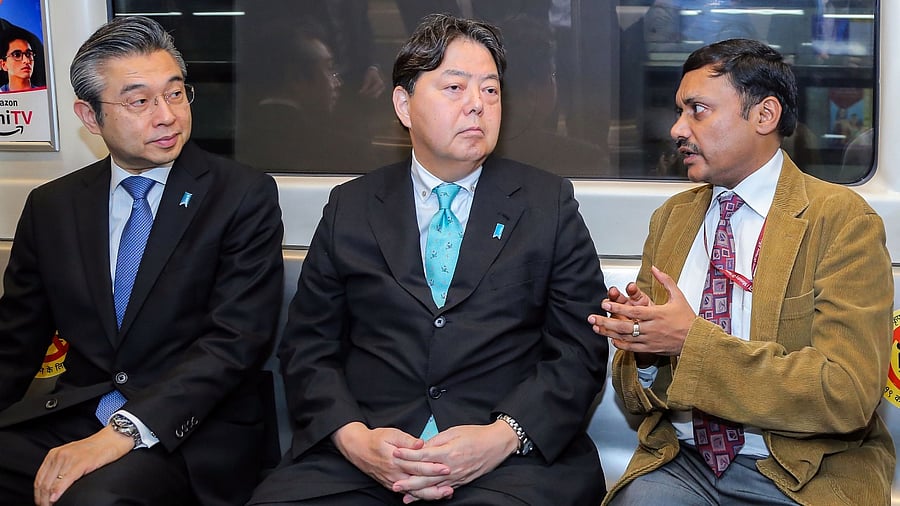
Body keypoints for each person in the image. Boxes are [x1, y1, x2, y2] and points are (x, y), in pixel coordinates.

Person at [248, 13, 608, 505]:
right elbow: (308, 348)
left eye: (490, 90)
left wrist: (502, 436)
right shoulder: (351, 207)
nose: (477, 105)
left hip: (506, 459)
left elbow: (579, 349)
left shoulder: (548, 205)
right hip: (370, 452)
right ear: (404, 104)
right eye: (455, 87)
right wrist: (355, 440)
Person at [589, 38, 894, 505]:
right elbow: (632, 396)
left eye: (698, 110)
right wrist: (645, 353)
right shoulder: (672, 220)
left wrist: (689, 343)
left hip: (802, 470)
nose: (677, 129)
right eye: (679, 111)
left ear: (764, 115)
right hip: (684, 461)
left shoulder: (840, 221)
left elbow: (846, 395)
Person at [0, 16, 284, 506]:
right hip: (78, 412)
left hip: (189, 429)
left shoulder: (241, 196)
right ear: (90, 117)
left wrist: (124, 431)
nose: (167, 115)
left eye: (175, 94)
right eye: (139, 101)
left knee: (96, 498)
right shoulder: (53, 206)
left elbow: (234, 343)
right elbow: (15, 340)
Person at [0, 27, 39, 92]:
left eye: (29, 54)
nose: (26, 60)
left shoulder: (42, 93)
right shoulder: (2, 95)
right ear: (3, 64)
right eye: (17, 55)